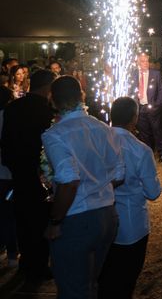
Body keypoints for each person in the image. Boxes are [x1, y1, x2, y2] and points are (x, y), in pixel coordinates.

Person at [42, 76, 124, 298]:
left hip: (76, 218)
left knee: (72, 289)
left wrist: (55, 221)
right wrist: (96, 182)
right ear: (81, 97)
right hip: (107, 214)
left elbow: (69, 181)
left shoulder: (55, 134)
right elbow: (119, 174)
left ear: (54, 101)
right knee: (90, 284)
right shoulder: (102, 128)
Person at [98, 97, 162, 299]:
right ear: (134, 118)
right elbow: (153, 193)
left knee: (104, 278)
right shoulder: (140, 149)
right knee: (125, 280)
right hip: (131, 225)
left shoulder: (97, 141)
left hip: (99, 218)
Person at [0, 69, 55, 285]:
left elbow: (6, 140)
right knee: (40, 219)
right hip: (38, 171)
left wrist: (12, 163)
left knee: (22, 217)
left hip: (17, 170)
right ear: (48, 87)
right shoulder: (45, 110)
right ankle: (39, 266)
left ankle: (26, 263)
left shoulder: (13, 107)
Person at [133, 53, 162, 158]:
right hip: (140, 108)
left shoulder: (155, 74)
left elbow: (161, 91)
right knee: (144, 132)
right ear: (138, 63)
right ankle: (148, 153)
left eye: (147, 61)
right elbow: (131, 91)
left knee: (157, 130)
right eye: (143, 61)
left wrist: (157, 105)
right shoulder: (133, 75)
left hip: (153, 107)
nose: (146, 63)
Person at [0, 86, 18, 269]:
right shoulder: (11, 117)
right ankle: (12, 253)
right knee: (8, 213)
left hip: (4, 173)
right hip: (8, 173)